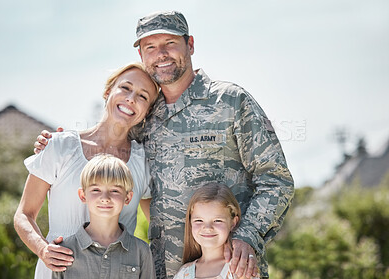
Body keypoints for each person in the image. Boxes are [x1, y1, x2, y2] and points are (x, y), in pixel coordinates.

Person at [35, 10, 295, 279]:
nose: (161, 54)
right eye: (150, 47)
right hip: (163, 270)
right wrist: (57, 141)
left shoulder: (230, 102)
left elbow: (276, 180)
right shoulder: (143, 116)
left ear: (190, 44)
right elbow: (108, 146)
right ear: (142, 56)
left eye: (170, 43)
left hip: (229, 267)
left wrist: (247, 237)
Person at [14, 62, 159, 279]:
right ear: (108, 91)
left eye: (143, 96)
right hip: (57, 271)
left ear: (147, 111)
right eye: (126, 88)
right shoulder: (59, 146)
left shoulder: (143, 161)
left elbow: (158, 226)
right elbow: (24, 214)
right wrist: (43, 249)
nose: (131, 99)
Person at [52, 154, 155, 279]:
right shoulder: (65, 250)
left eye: (115, 191)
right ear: (83, 195)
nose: (105, 198)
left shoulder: (141, 251)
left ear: (127, 198)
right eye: (96, 190)